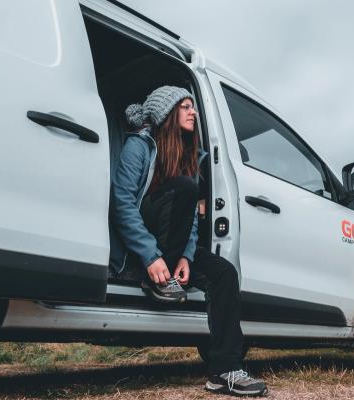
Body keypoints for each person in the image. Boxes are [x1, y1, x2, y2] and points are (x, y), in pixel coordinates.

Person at [109, 85, 268, 397]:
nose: (193, 112)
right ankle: (152, 277)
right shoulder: (139, 148)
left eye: (192, 106)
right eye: (185, 106)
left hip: (172, 253)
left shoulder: (188, 158)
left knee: (224, 273)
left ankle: (224, 370)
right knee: (183, 188)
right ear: (167, 114)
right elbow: (122, 203)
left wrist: (186, 257)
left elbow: (191, 219)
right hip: (142, 255)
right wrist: (151, 257)